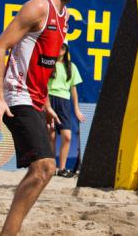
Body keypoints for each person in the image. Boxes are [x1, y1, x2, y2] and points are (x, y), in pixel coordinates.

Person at [0, 0, 80, 236]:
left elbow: (43, 63)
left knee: (41, 171)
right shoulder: (39, 6)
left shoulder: (63, 15)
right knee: (45, 168)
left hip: (36, 99)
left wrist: (47, 102)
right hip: (16, 96)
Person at [47, 42, 86, 178]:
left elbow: (73, 90)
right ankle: (51, 168)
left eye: (63, 47)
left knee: (67, 137)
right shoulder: (49, 64)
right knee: (51, 135)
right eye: (58, 46)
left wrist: (76, 110)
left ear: (66, 50)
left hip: (64, 102)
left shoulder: (71, 66)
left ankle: (62, 168)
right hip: (50, 99)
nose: (60, 49)